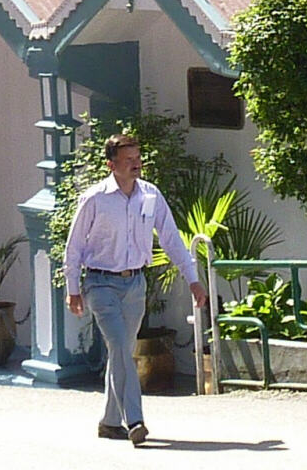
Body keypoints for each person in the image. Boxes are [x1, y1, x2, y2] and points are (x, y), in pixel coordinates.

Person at [64, 133, 208, 447]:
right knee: (119, 345)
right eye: (128, 160)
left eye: (138, 158)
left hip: (135, 285)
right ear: (111, 164)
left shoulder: (150, 196)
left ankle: (109, 422)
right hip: (101, 283)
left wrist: (193, 279)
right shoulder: (95, 198)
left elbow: (170, 238)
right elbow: (74, 246)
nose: (136, 164)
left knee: (121, 352)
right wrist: (73, 288)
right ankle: (135, 420)